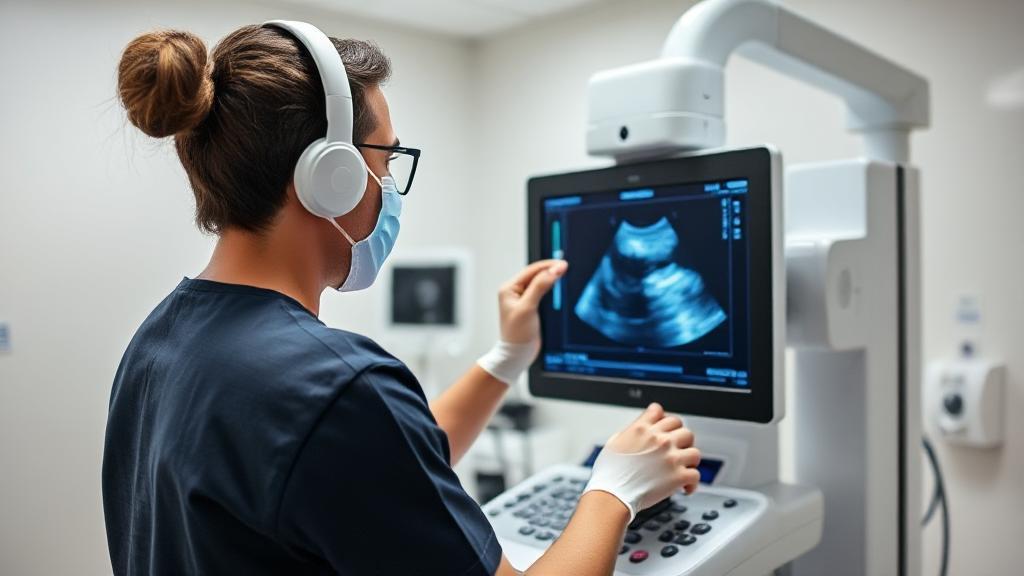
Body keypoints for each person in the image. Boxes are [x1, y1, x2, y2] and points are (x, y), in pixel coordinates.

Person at [102, 22, 702, 576]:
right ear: (329, 176)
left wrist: (505, 359)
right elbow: (346, 428)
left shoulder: (158, 342)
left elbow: (369, 464)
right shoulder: (334, 386)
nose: (390, 186)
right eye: (386, 160)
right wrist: (613, 491)